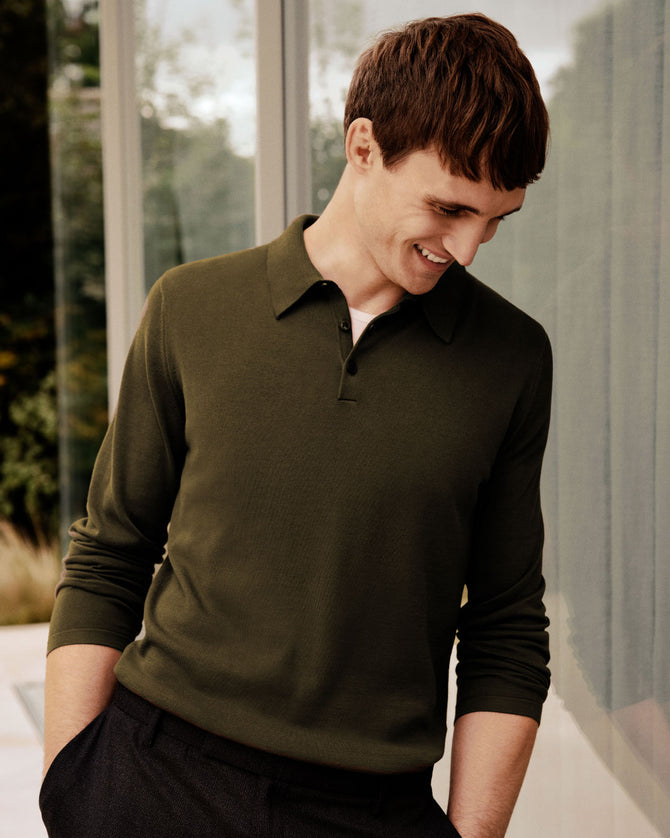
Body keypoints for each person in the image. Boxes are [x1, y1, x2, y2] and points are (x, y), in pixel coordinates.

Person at [40, 13, 552, 838]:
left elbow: (506, 627)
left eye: (496, 219)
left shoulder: (512, 357)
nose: (467, 249)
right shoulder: (191, 306)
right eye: (449, 209)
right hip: (153, 779)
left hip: (371, 808)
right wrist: (70, 788)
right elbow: (110, 553)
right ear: (363, 146)